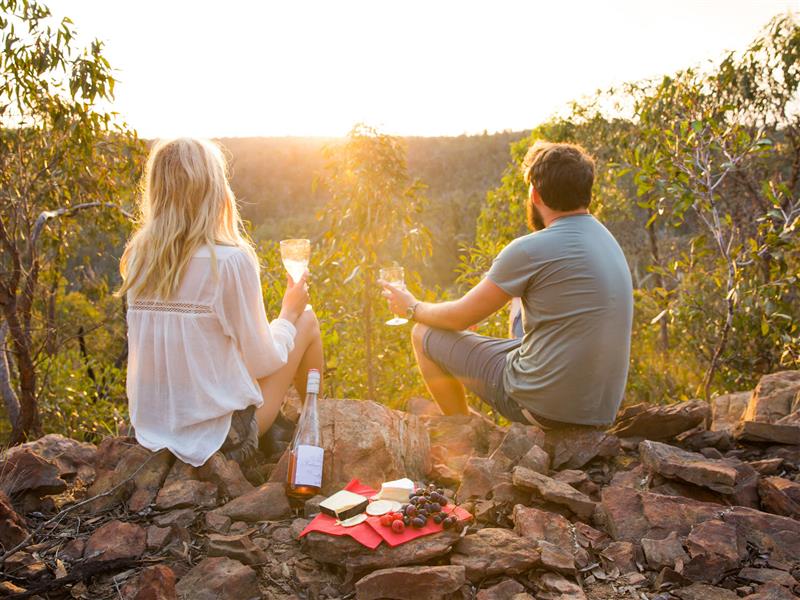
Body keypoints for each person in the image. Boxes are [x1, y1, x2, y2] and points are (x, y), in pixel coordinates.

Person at [381, 141, 633, 429]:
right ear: (586, 192)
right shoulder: (608, 241)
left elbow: (460, 317)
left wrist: (411, 307)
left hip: (543, 407)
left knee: (422, 332)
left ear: (535, 195)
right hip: (599, 412)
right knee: (517, 302)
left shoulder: (529, 249)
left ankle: (463, 429)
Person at [117, 138, 323, 466]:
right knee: (307, 320)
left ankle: (296, 428)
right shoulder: (227, 260)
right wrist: (288, 311)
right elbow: (262, 361)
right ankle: (313, 431)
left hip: (153, 432)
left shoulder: (140, 258)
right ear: (213, 189)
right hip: (222, 440)